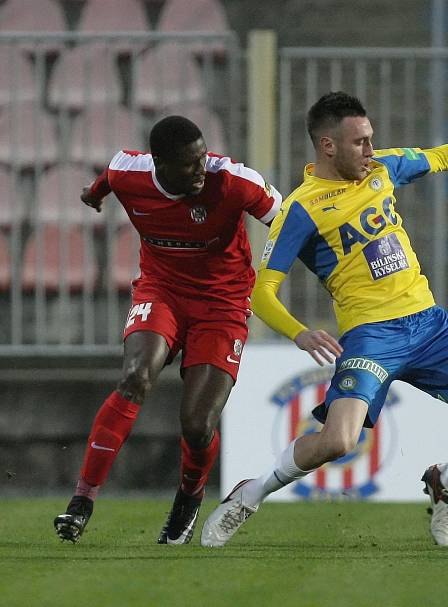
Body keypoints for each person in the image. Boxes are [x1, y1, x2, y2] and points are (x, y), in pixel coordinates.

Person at [200, 91, 448, 548]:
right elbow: (262, 292)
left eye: (371, 140)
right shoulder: (301, 209)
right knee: (338, 441)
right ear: (328, 146)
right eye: (360, 144)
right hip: (371, 338)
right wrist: (299, 331)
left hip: (430, 325)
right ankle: (248, 495)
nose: (371, 151)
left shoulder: (383, 169)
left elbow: (444, 157)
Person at [53, 115, 282, 544]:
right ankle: (81, 501)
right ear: (160, 163)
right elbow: (108, 178)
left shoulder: (233, 181)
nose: (202, 169)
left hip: (223, 303)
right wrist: (93, 194)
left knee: (197, 424)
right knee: (135, 377)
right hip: (162, 292)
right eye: (190, 164)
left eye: (203, 158)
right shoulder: (128, 172)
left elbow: (289, 220)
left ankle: (188, 498)